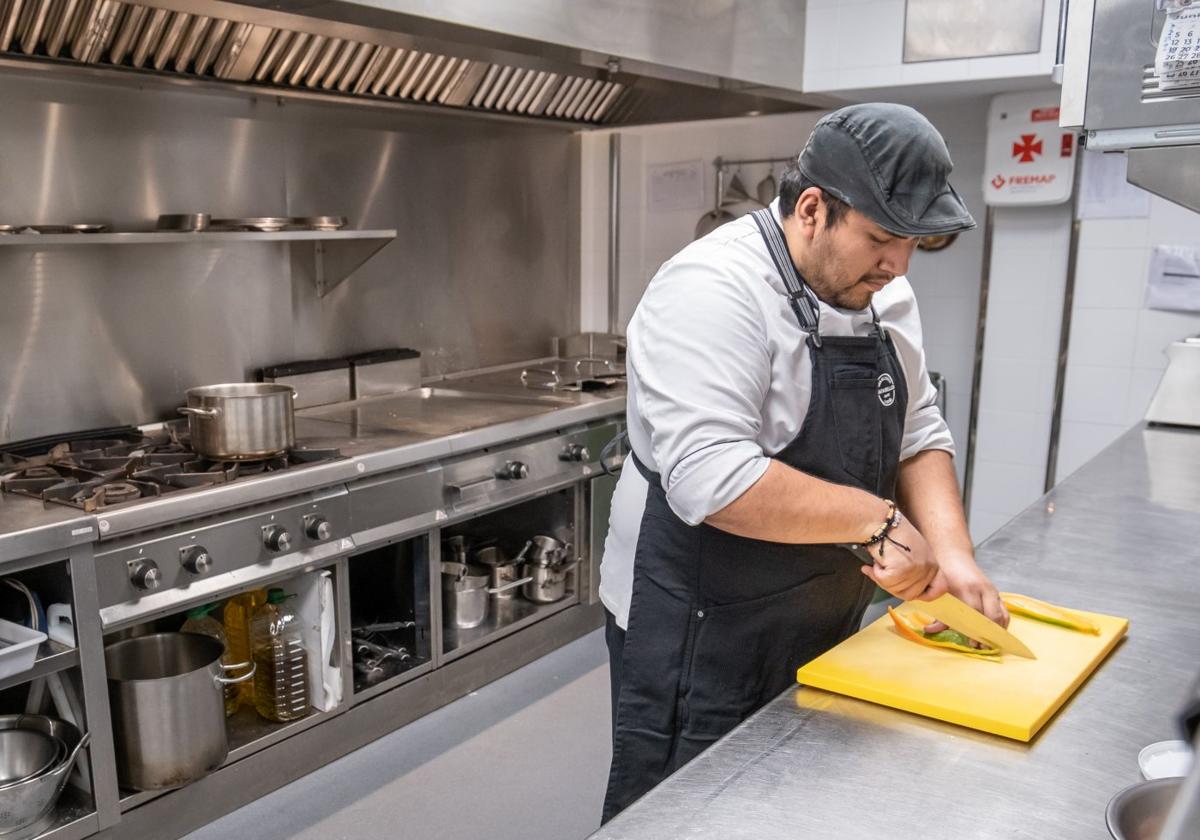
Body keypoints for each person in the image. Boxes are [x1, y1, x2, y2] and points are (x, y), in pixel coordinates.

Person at [598, 103, 1009, 822]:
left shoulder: (884, 292)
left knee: (784, 810)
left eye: (912, 242)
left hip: (818, 606)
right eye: (882, 238)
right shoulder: (711, 288)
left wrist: (955, 557)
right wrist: (876, 521)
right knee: (684, 814)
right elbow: (711, 478)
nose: (899, 264)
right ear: (813, 209)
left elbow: (916, 425)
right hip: (697, 618)